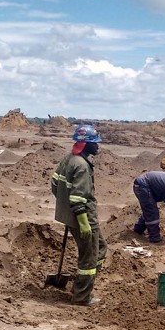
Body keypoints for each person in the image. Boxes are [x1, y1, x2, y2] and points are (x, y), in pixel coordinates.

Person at [51, 124, 106, 306]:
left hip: (73, 215)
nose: (98, 146)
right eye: (95, 143)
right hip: (84, 218)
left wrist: (66, 208)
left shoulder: (69, 159)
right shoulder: (82, 166)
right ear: (86, 144)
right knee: (89, 259)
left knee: (100, 248)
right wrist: (83, 223)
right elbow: (78, 197)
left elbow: (55, 184)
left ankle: (82, 287)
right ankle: (81, 296)